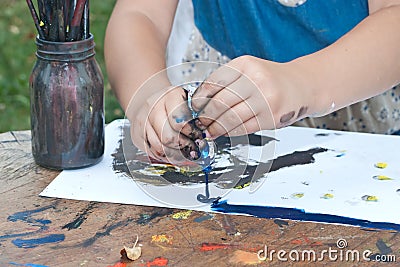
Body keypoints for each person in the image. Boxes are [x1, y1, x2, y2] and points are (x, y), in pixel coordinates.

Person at [104, 0, 400, 165]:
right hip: (222, 149)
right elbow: (140, 13)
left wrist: (305, 82)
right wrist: (149, 95)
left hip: (360, 145)